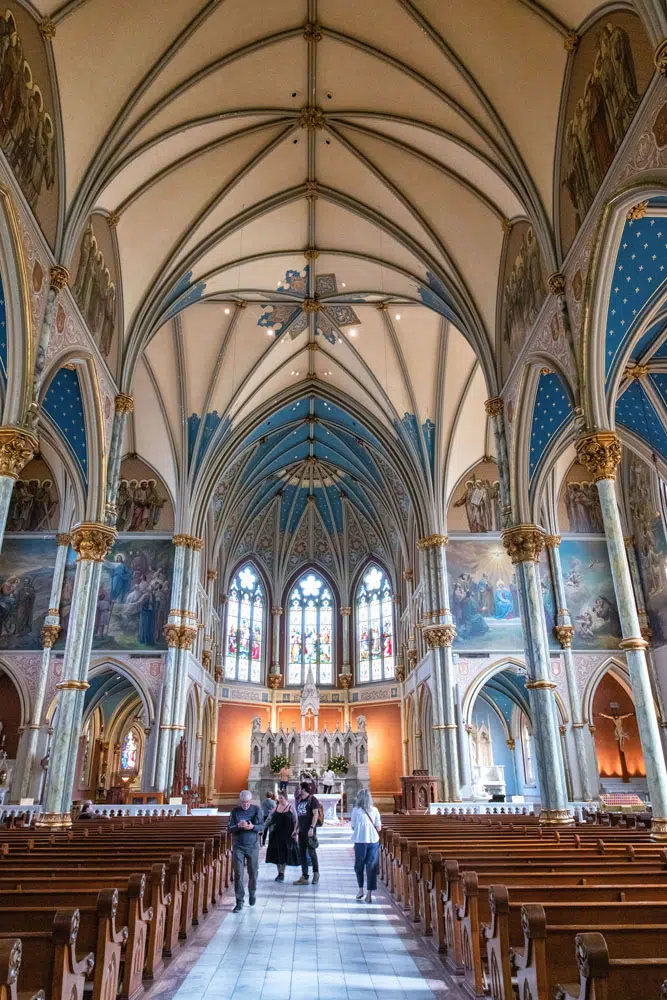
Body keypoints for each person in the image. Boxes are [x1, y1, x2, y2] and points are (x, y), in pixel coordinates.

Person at [228, 790, 264, 912]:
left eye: (248, 802)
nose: (246, 805)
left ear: (250, 801)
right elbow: (229, 829)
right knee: (238, 874)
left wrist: (252, 827)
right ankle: (239, 901)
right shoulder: (235, 811)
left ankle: (252, 893)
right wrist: (238, 826)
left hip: (252, 846)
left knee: (253, 872)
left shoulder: (256, 810)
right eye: (243, 803)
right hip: (239, 846)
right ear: (240, 801)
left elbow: (262, 826)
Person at [350, 788, 382, 903]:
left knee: (359, 866)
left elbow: (352, 826)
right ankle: (369, 894)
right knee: (371, 867)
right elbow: (379, 827)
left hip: (360, 841)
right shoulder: (375, 810)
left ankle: (361, 890)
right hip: (373, 841)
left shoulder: (355, 810)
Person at [265, 790, 300, 881]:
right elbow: (269, 819)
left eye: (281, 798)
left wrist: (295, 831)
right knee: (277, 854)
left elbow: (296, 820)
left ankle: (282, 873)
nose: (279, 799)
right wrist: (262, 828)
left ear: (286, 798)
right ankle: (280, 872)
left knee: (284, 854)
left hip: (287, 835)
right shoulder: (275, 808)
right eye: (279, 798)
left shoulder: (291, 808)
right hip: (275, 835)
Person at [293, 781, 322, 885]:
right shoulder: (300, 800)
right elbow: (298, 816)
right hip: (301, 831)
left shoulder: (312, 799)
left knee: (312, 853)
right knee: (302, 854)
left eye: (300, 788)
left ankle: (316, 874)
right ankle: (304, 876)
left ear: (304, 789)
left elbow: (315, 815)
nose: (298, 790)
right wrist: (295, 829)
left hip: (309, 831)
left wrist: (312, 828)